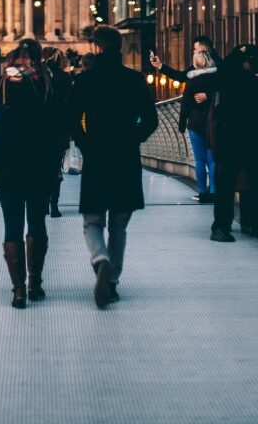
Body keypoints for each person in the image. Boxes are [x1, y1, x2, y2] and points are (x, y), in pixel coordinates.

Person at [69, 25, 158, 308]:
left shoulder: (85, 80)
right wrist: (133, 137)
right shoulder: (134, 80)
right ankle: (113, 282)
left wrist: (85, 143)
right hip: (125, 157)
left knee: (92, 220)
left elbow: (70, 118)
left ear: (97, 48)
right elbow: (151, 119)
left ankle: (100, 260)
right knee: (119, 225)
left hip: (97, 158)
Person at [0, 39, 66, 309]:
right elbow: (60, 126)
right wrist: (55, 162)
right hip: (39, 165)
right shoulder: (47, 84)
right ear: (37, 59)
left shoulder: (1, 84)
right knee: (36, 222)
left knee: (11, 224)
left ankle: (18, 290)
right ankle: (35, 283)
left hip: (6, 165)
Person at [209, 44, 258, 242]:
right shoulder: (227, 75)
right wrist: (245, 64)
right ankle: (222, 226)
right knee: (228, 184)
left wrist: (254, 70)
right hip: (233, 138)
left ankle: (253, 222)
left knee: (256, 182)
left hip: (249, 139)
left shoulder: (249, 76)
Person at [178, 47, 218, 203]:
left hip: (195, 123)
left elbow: (186, 104)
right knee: (212, 159)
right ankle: (214, 191)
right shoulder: (216, 79)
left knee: (200, 160)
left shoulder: (192, 80)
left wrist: (182, 123)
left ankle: (202, 192)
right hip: (212, 122)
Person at [42, 47, 72, 217]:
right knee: (55, 168)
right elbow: (70, 104)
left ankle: (43, 202)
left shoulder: (36, 76)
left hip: (39, 132)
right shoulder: (64, 77)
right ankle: (54, 204)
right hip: (59, 131)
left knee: (41, 168)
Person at [149, 35, 222, 83]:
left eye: (196, 49)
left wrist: (207, 94)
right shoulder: (195, 67)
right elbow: (181, 76)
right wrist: (160, 65)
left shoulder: (219, 65)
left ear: (204, 49)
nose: (194, 52)